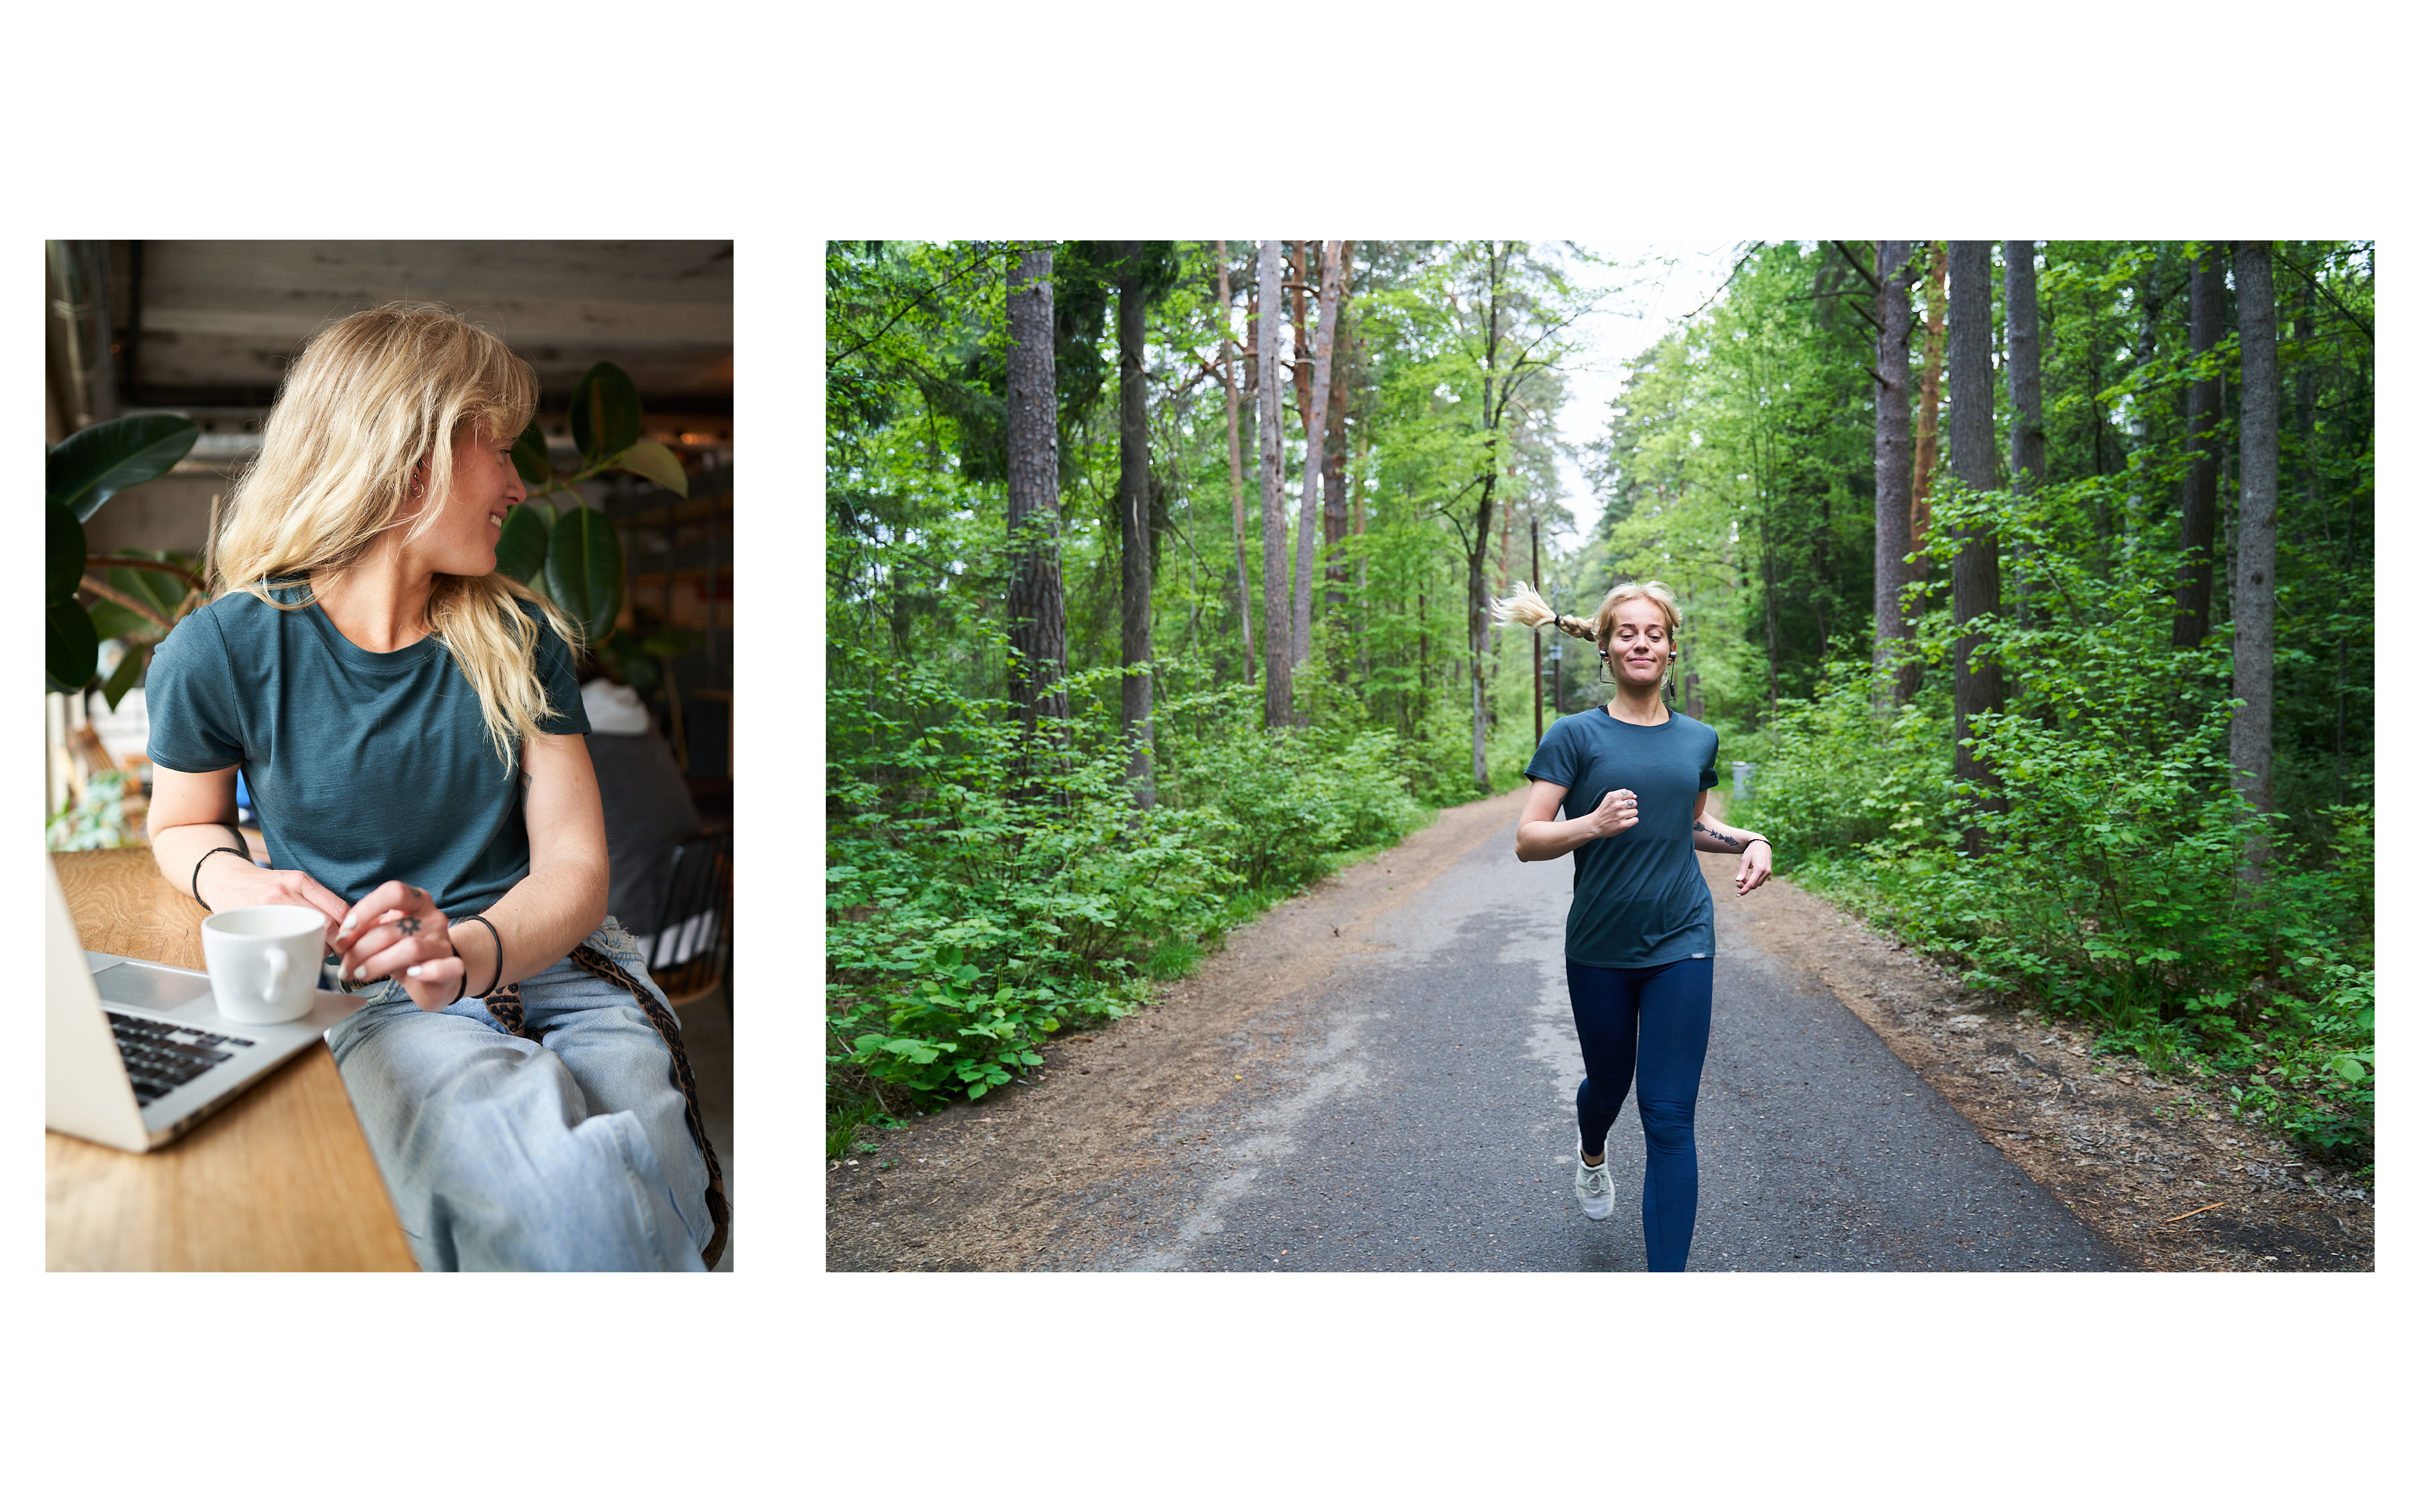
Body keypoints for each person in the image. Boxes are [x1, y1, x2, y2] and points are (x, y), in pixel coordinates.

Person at [142, 304, 725, 1272]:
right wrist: (249, 886)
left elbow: (577, 867)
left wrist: (467, 948)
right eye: (494, 445)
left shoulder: (520, 640)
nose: (517, 481)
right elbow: (184, 824)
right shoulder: (222, 651)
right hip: (380, 995)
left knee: (660, 1162)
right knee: (571, 1202)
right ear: (410, 455)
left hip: (557, 962)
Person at [1494, 579, 1770, 1272]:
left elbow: (1694, 824)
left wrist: (1751, 839)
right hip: (1600, 946)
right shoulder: (1574, 736)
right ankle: (1592, 1153)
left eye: (1653, 633)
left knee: (1670, 1117)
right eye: (1626, 633)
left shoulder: (1697, 737)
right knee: (1608, 1086)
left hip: (1683, 938)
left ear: (1671, 648)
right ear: (1606, 647)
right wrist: (1589, 824)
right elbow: (1529, 839)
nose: (1640, 642)